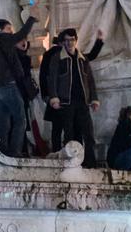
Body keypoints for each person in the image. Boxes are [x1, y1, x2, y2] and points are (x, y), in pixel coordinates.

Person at [0, 15, 38, 157]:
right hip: (8, 85)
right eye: (9, 29)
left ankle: (2, 149)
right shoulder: (3, 38)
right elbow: (22, 34)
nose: (11, 32)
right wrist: (31, 20)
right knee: (20, 119)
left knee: (4, 121)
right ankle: (15, 151)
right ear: (0, 30)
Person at [43, 28, 101, 167]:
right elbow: (52, 79)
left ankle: (90, 162)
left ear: (76, 41)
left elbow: (90, 80)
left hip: (82, 101)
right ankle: (71, 161)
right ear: (63, 42)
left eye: (72, 40)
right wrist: (53, 97)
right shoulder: (57, 58)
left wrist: (94, 98)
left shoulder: (82, 59)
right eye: (67, 40)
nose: (70, 43)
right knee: (69, 133)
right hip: (66, 101)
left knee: (88, 133)